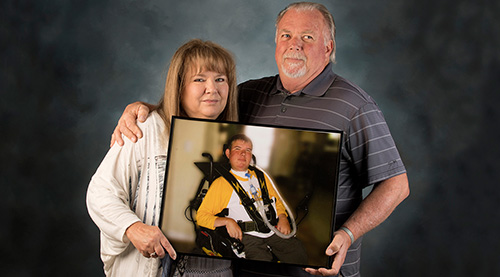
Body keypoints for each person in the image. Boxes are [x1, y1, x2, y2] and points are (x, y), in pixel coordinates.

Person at [110, 2, 410, 277]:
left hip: (319, 270)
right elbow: (199, 107)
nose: (294, 45)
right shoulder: (249, 94)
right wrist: (147, 112)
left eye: (307, 37)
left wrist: (347, 234)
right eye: (286, 35)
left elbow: (397, 185)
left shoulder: (355, 106)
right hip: (247, 271)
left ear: (328, 47)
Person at [86, 39, 238, 276]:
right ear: (179, 87)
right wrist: (132, 227)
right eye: (199, 79)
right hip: (154, 269)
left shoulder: (237, 142)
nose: (213, 88)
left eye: (220, 79)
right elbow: (101, 191)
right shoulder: (146, 129)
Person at [196, 134, 307, 264]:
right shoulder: (221, 184)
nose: (243, 154)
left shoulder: (261, 176)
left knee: (298, 253)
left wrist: (282, 217)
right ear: (228, 153)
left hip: (273, 229)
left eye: (248, 150)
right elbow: (201, 217)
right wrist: (227, 221)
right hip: (247, 236)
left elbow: (276, 201)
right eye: (238, 149)